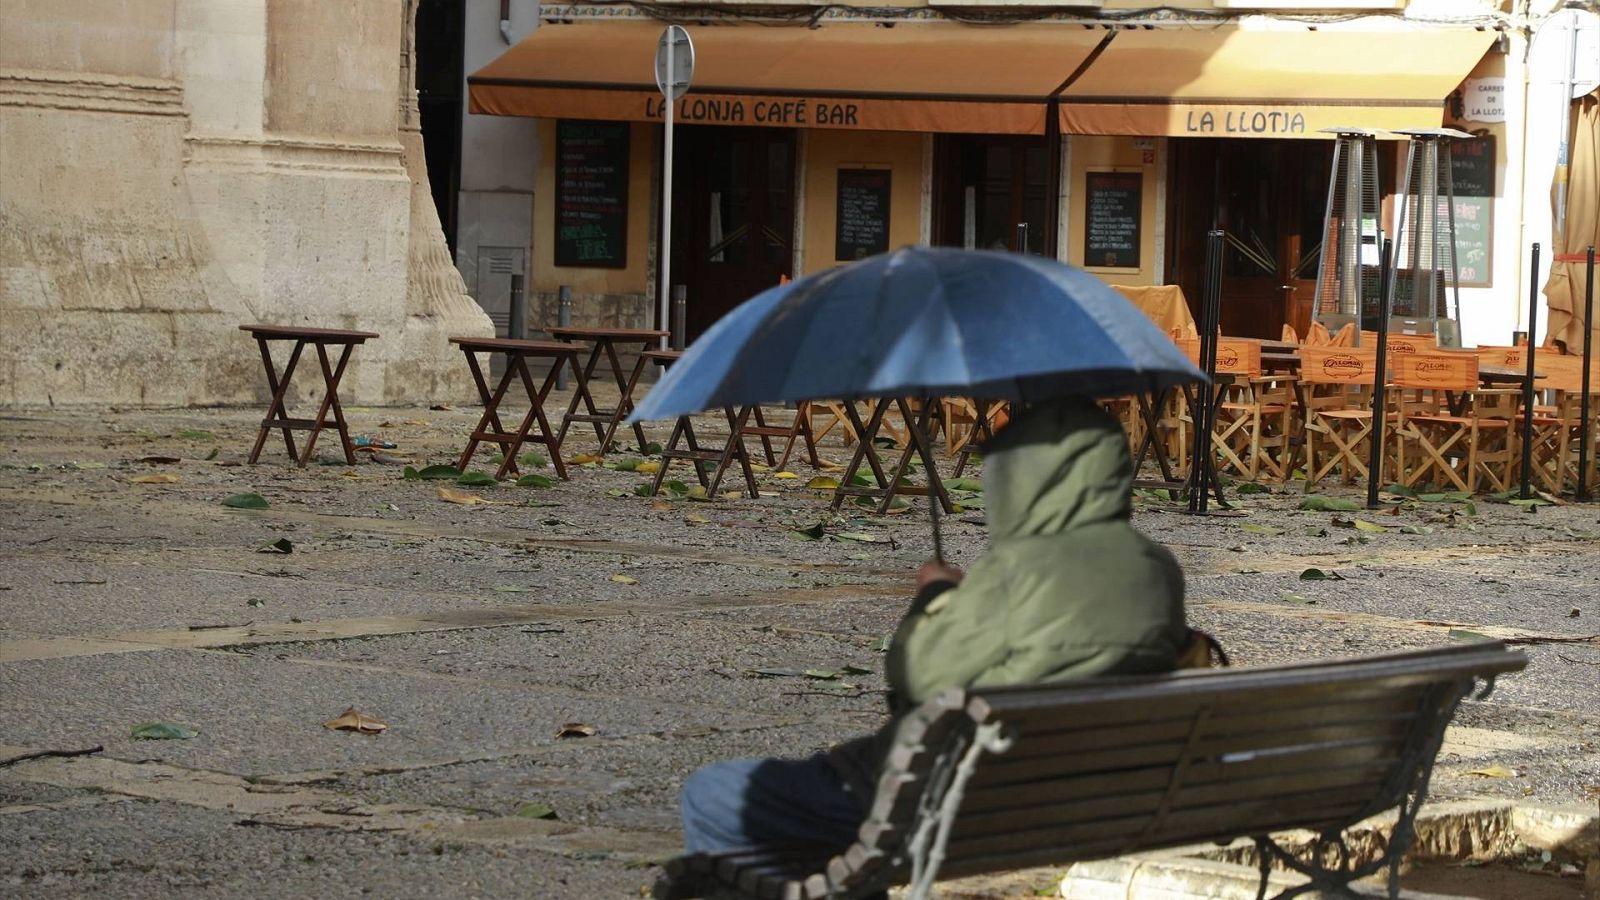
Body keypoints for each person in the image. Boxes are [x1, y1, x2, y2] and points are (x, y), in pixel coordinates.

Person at [678, 396, 1194, 861]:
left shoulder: (1021, 568)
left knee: (712, 791)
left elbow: (916, 675)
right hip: (1074, 798)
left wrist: (935, 595)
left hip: (952, 800)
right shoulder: (1157, 567)